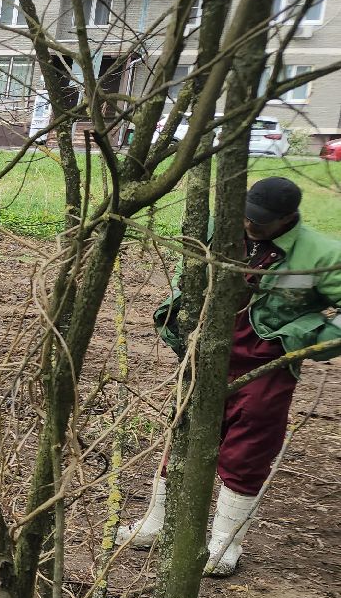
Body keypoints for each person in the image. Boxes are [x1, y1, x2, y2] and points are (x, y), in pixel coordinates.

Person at [119, 176, 341, 575]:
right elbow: (187, 271)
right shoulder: (217, 227)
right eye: (247, 216)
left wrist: (299, 336)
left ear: (288, 218)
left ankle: (223, 544)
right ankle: (156, 524)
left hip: (265, 363)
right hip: (205, 353)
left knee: (249, 447)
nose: (250, 225)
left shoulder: (322, 255)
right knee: (184, 431)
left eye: (262, 221)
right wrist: (177, 310)